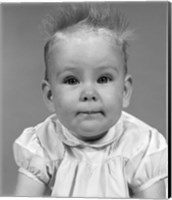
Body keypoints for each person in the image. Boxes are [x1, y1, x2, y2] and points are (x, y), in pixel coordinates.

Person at [13, 3, 168, 198]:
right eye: (72, 80)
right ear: (49, 95)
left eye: (103, 79)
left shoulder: (141, 145)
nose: (88, 93)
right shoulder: (42, 144)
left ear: (125, 91)